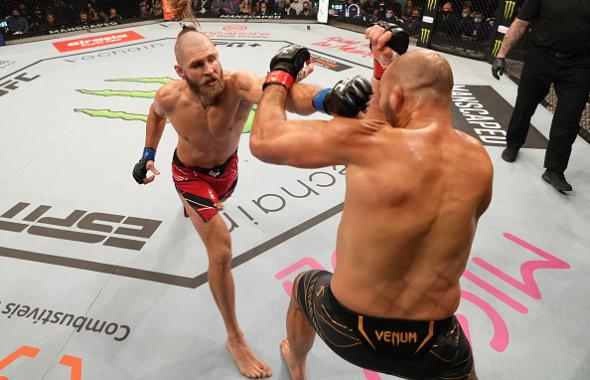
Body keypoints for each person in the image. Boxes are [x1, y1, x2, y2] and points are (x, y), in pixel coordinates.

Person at [249, 24, 492, 380]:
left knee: (304, 284)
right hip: (436, 343)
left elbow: (265, 139)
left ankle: (297, 365)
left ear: (395, 99)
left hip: (348, 329)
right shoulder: (479, 160)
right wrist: (385, 68)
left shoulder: (369, 142)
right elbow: (400, 121)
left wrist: (279, 76)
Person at [131, 21, 362, 378]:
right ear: (180, 71)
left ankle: (193, 208)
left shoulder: (236, 84)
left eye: (212, 59)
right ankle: (234, 337)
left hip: (227, 172)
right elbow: (155, 115)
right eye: (198, 65)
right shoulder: (169, 96)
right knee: (220, 251)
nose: (210, 70)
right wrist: (148, 153)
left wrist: (324, 99)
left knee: (207, 211)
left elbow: (278, 95)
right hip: (189, 175)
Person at [492, 0, 590, 192]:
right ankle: (513, 145)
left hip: (579, 65)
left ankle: (554, 169)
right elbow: (521, 23)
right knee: (524, 106)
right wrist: (501, 55)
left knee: (569, 118)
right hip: (541, 57)